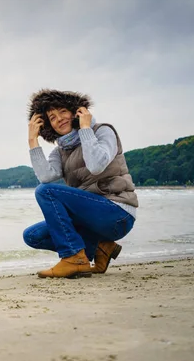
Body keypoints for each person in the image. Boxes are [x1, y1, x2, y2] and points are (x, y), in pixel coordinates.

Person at [23, 89, 138, 278]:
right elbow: (46, 177)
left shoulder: (103, 131)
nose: (59, 119)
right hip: (91, 219)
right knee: (32, 236)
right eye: (52, 117)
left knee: (46, 192)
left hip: (117, 214)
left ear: (75, 111)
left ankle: (74, 258)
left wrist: (85, 129)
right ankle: (102, 247)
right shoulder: (59, 151)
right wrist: (32, 140)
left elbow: (96, 165)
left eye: (62, 111)